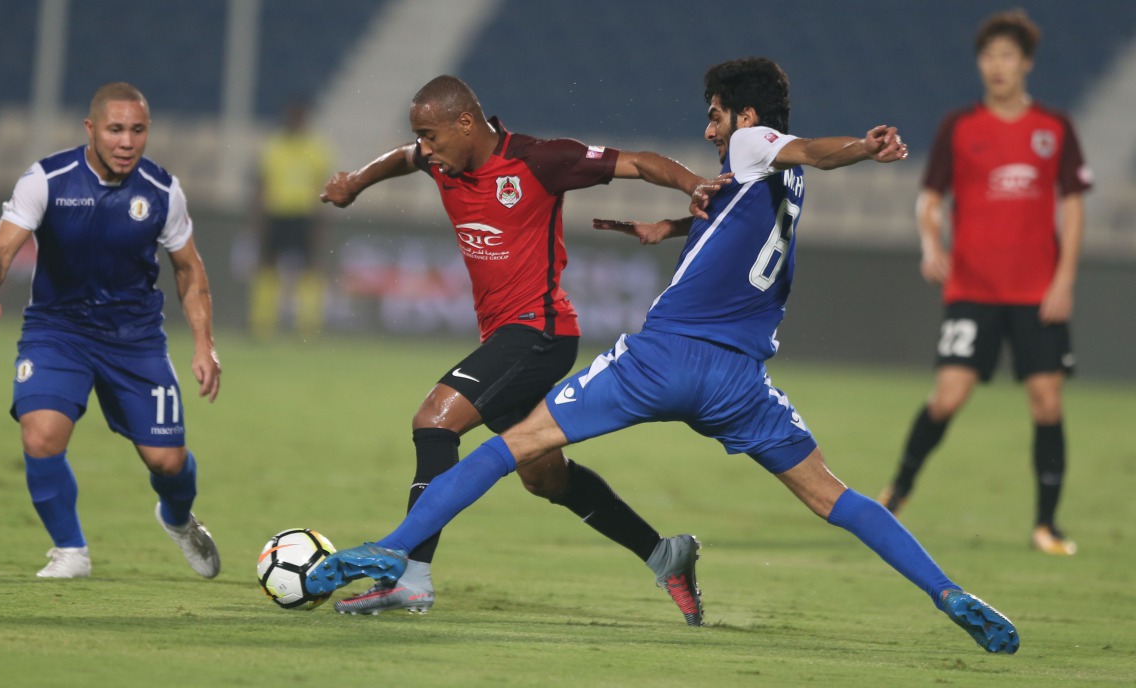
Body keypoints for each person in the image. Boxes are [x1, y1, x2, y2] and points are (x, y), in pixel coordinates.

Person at [307, 58, 1021, 654]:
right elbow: (745, 214)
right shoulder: (775, 185)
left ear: (744, 118)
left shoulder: (755, 144)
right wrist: (675, 224)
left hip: (662, 357)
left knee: (504, 448)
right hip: (741, 380)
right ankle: (947, 591)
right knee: (834, 495)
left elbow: (806, 150)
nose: (709, 130)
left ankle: (395, 552)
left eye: (714, 115)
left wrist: (862, 149)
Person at [317, 75, 723, 623]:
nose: (427, 149)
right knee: (545, 476)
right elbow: (405, 158)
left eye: (431, 136)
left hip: (541, 333)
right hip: (507, 337)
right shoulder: (441, 158)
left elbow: (642, 162)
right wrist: (356, 183)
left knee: (434, 422)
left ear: (466, 123)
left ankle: (410, 576)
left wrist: (696, 185)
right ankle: (664, 554)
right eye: (422, 138)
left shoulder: (540, 161)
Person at [0, 82, 222, 580]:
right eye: (115, 129)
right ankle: (70, 551)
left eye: (138, 129)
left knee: (168, 462)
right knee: (41, 435)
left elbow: (190, 271)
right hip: (57, 330)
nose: (127, 141)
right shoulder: (47, 180)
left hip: (135, 338)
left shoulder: (162, 191)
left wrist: (204, 344)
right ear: (91, 130)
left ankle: (177, 518)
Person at [878, 9, 1091, 556]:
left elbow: (1072, 208)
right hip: (972, 290)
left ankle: (1047, 524)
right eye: (989, 55)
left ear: (1026, 64)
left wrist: (1065, 279)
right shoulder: (960, 127)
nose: (997, 66)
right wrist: (932, 244)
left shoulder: (1054, 129)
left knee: (1047, 402)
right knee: (948, 396)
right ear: (980, 63)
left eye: (1007, 56)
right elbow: (930, 200)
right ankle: (895, 494)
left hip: (1037, 291)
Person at [249, 101, 332, 338]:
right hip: (276, 213)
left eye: (300, 117)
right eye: (293, 116)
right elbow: (262, 184)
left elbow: (323, 186)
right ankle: (262, 325)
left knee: (309, 269)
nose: (296, 121)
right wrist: (258, 219)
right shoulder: (274, 146)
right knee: (267, 267)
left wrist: (322, 221)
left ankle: (308, 325)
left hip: (305, 214)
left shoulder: (317, 148)